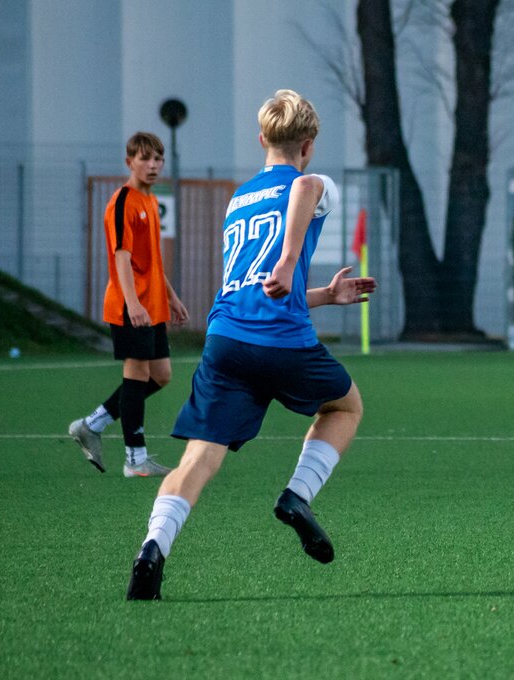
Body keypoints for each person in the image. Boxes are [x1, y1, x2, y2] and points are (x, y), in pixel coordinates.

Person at [126, 89, 376, 600]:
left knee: (198, 458)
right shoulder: (312, 182)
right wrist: (289, 260)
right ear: (308, 145)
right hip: (281, 340)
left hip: (226, 339)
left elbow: (254, 286)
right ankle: (297, 496)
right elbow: (305, 187)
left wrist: (324, 295)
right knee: (345, 405)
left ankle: (152, 549)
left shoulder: (239, 199)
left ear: (261, 139)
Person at [69, 132, 189, 478]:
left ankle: (91, 425)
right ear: (129, 162)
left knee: (161, 375)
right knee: (136, 374)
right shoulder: (122, 201)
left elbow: (149, 261)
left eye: (158, 159)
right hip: (130, 304)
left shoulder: (150, 200)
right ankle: (135, 459)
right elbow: (121, 257)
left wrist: (170, 296)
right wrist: (133, 303)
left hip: (152, 303)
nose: (153, 165)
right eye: (144, 158)